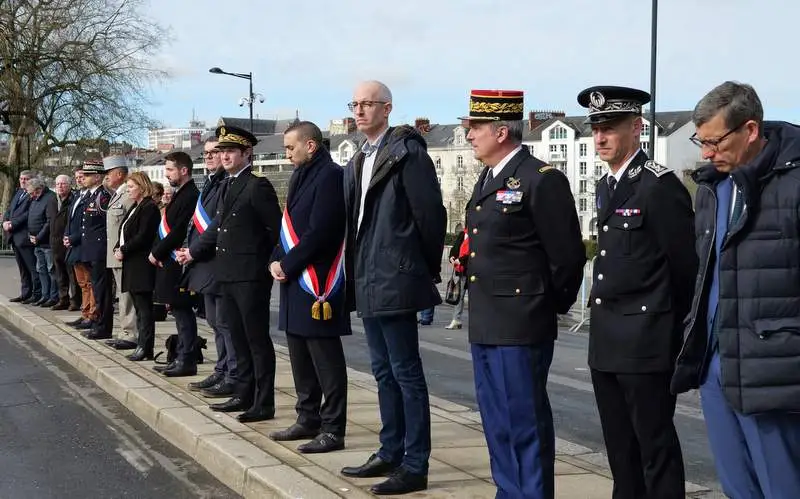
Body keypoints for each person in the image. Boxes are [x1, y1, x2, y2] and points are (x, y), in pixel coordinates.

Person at [672, 81, 800, 498]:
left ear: (749, 129)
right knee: (736, 487)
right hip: (716, 366)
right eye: (700, 141)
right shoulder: (712, 188)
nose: (706, 152)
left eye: (714, 141)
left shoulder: (793, 181)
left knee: (782, 486)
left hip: (774, 366)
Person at [462, 89, 585, 498]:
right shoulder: (487, 178)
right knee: (496, 421)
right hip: (486, 322)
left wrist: (543, 307)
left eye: (475, 128)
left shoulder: (540, 179)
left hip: (522, 323)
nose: (468, 135)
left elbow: (567, 257)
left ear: (501, 131)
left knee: (525, 422)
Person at [577, 86, 696, 499]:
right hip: (607, 338)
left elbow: (685, 269)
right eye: (596, 130)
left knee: (654, 446)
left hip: (646, 341)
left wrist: (671, 333)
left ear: (636, 128)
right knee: (619, 449)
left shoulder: (658, 186)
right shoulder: (606, 185)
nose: (601, 138)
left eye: (610, 128)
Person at [338, 81, 446, 496]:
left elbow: (430, 215)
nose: (359, 111)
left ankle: (415, 464)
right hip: (367, 275)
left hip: (395, 275)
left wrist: (415, 265)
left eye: (368, 104)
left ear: (387, 109)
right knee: (382, 370)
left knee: (406, 373)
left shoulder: (407, 153)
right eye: (355, 104)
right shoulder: (359, 160)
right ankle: (390, 450)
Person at [184, 125, 282, 423]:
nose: (224, 156)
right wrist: (194, 251)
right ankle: (243, 393)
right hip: (226, 274)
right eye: (221, 151)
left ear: (246, 153)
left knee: (256, 341)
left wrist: (267, 264)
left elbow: (275, 230)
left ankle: (263, 402)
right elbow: (217, 228)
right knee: (237, 338)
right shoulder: (227, 184)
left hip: (249, 276)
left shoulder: (257, 185)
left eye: (230, 151)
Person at [268, 121, 349, 454]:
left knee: (325, 361)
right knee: (299, 355)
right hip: (293, 281)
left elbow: (321, 232)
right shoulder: (300, 174)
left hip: (317, 282)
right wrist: (275, 259)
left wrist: (287, 264)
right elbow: (286, 226)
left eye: (290, 147)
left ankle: (333, 428)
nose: (287, 153)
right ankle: (307, 417)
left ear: (311, 145)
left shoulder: (330, 176)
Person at [180, 137, 239, 399]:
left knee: (225, 323)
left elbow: (217, 225)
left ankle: (232, 373)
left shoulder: (226, 184)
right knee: (215, 321)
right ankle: (221, 368)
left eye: (216, 152)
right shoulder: (212, 183)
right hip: (204, 262)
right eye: (206, 154)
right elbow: (195, 224)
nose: (210, 157)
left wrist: (192, 251)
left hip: (217, 262)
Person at [150, 151, 199, 377]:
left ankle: (187, 358)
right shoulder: (181, 193)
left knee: (182, 310)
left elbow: (179, 230)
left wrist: (157, 252)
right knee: (177, 312)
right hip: (169, 260)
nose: (167, 174)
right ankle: (180, 355)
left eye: (170, 169)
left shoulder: (190, 195)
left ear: (183, 170)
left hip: (176, 260)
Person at [114, 172, 161, 361]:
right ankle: (142, 345)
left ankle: (145, 346)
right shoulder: (136, 206)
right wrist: (119, 246)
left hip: (140, 263)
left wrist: (124, 249)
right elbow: (126, 229)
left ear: (142, 187)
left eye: (131, 187)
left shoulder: (149, 207)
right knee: (139, 308)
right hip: (131, 262)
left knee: (144, 308)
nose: (128, 191)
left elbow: (143, 236)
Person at [102, 155, 138, 351]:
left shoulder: (128, 195)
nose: (106, 177)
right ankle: (124, 331)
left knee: (126, 297)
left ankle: (130, 333)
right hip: (114, 255)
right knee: (121, 295)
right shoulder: (117, 194)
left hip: (124, 254)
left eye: (109, 173)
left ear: (119, 173)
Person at [78, 160, 113, 340]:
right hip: (91, 249)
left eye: (89, 175)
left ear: (98, 176)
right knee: (97, 290)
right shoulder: (90, 195)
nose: (84, 177)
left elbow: (107, 224)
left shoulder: (103, 196)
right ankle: (97, 323)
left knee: (103, 291)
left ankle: (103, 326)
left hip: (99, 250)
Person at [63, 163, 96, 329]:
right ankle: (84, 313)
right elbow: (71, 220)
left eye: (82, 177)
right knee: (82, 283)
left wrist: (73, 238)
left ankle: (91, 314)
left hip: (83, 244)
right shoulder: (78, 196)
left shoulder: (90, 196)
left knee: (89, 283)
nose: (80, 180)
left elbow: (86, 225)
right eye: (77, 178)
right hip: (74, 245)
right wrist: (66, 236)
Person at [4, 170, 39, 303]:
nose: (23, 181)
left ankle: (35, 294)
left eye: (26, 179)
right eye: (21, 178)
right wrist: (5, 221)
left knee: (32, 267)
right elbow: (9, 209)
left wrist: (13, 223)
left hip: (24, 236)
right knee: (22, 268)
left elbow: (27, 214)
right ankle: (25, 293)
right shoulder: (19, 192)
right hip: (14, 237)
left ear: (31, 180)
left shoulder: (32, 195)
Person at [25, 177, 59, 307]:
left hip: (47, 242)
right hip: (37, 242)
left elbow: (49, 221)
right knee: (41, 270)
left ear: (38, 189)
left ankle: (53, 296)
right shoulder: (35, 199)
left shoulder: (50, 198)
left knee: (51, 270)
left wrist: (38, 236)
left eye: (31, 192)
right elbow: (31, 217)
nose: (30, 195)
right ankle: (45, 295)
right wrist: (31, 235)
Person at [49, 174, 75, 310]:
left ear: (69, 185)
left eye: (63, 184)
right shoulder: (53, 200)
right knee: (60, 274)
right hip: (55, 242)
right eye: (58, 184)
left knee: (72, 274)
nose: (60, 186)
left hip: (68, 242)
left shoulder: (73, 199)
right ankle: (63, 299)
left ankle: (75, 300)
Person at [445, 229, 469, 330]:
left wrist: (462, 260)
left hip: (473, 270)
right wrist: (452, 257)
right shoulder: (463, 233)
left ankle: (477, 321)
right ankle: (456, 319)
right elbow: (455, 248)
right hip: (462, 270)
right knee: (459, 296)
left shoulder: (478, 233)